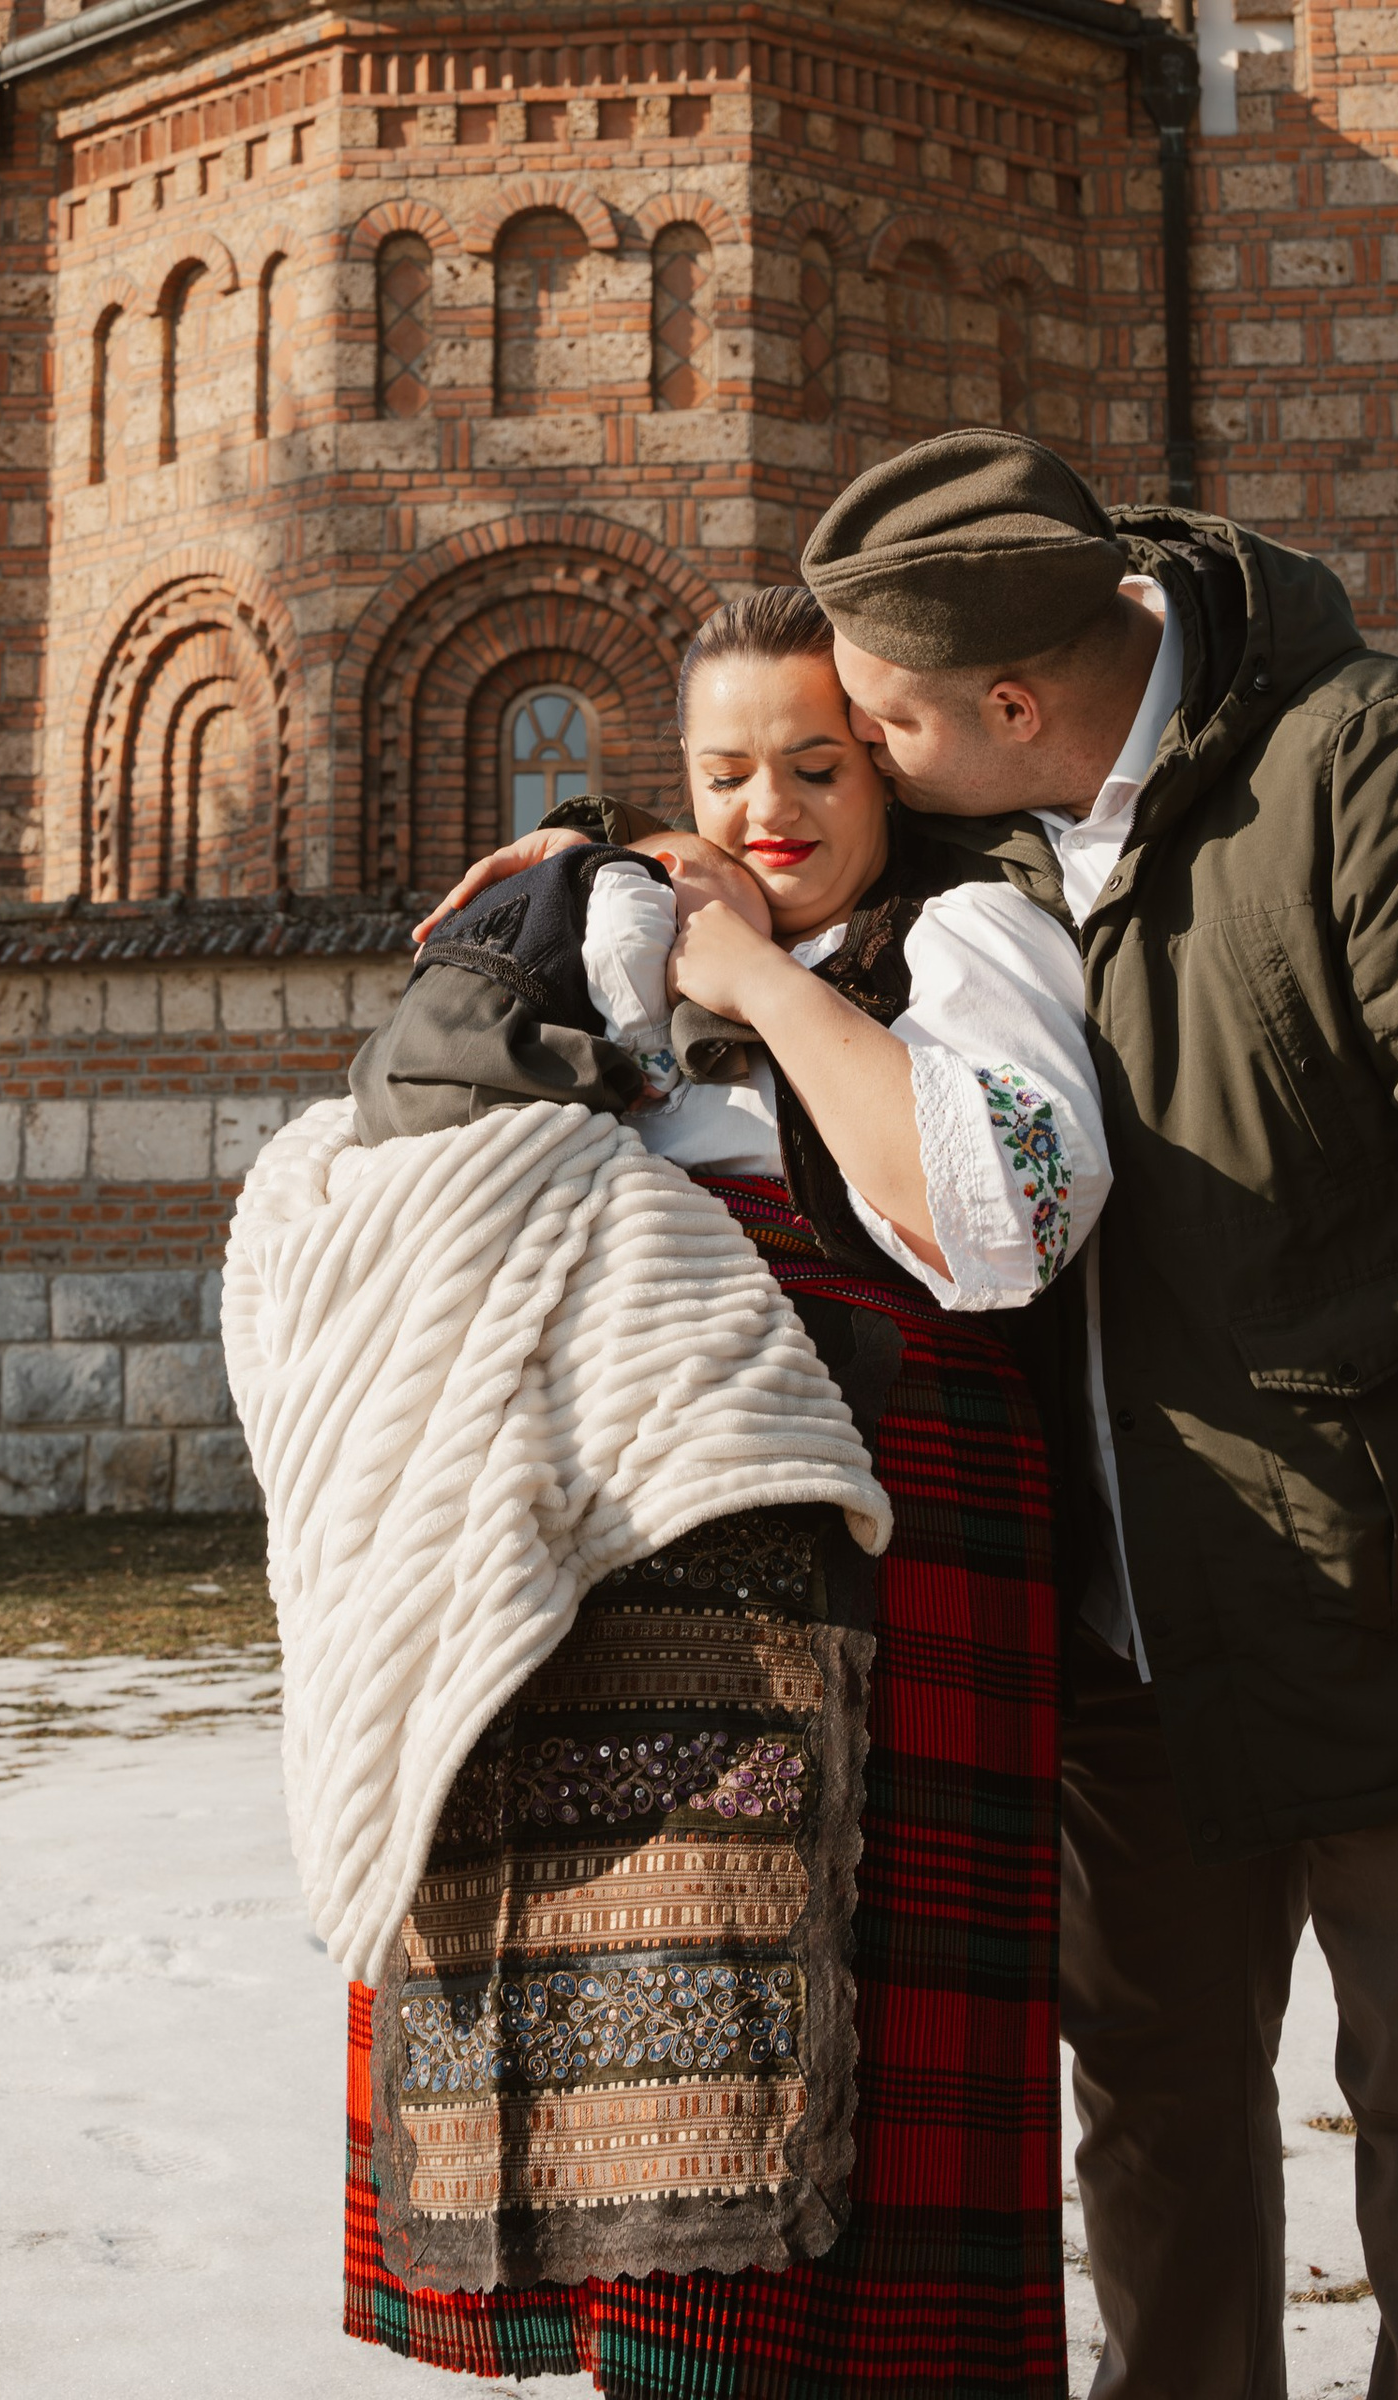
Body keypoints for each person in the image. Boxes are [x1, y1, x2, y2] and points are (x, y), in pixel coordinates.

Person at [426, 437, 1398, 2400]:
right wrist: (593, 844)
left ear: (1002, 709)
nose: (846, 757)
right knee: (1155, 2111)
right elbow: (783, 819)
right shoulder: (999, 811)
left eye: (881, 730)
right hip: (1127, 1633)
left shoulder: (1370, 768)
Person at [349, 583, 1109, 2394]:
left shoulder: (967, 941)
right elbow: (414, 1137)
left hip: (885, 1546)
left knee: (837, 2095)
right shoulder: (625, 933)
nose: (769, 807)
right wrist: (572, 902)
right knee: (635, 2073)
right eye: (725, 770)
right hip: (612, 1577)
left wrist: (754, 976)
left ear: (890, 769)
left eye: (815, 764)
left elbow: (992, 1221)